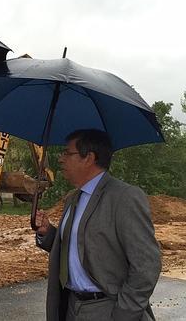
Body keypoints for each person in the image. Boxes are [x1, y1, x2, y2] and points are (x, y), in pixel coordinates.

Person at [34, 129, 161, 321]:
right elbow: (80, 247)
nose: (61, 159)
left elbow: (147, 265)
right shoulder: (73, 198)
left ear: (89, 158)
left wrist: (123, 314)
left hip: (106, 309)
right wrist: (48, 232)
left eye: (67, 153)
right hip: (71, 307)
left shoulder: (124, 197)